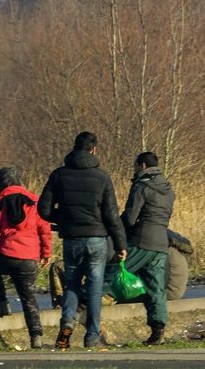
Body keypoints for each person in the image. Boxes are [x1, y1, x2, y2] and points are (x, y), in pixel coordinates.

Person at [38, 131, 127, 349]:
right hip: (97, 239)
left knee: (72, 284)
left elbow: (43, 209)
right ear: (94, 149)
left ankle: (67, 324)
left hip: (72, 239)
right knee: (95, 288)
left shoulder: (58, 175)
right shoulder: (102, 178)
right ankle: (92, 336)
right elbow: (112, 215)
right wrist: (121, 244)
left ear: (74, 148)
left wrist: (65, 218)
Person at [102, 152, 175, 345]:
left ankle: (81, 309)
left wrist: (115, 229)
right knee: (155, 288)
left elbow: (130, 218)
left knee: (111, 273)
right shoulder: (168, 188)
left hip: (142, 240)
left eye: (135, 166)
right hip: (161, 243)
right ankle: (158, 331)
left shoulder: (141, 186)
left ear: (142, 166)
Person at [0, 166, 52, 349]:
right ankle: (36, 335)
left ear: (1, 183)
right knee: (28, 297)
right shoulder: (34, 201)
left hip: (6, 255)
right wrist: (45, 253)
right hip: (30, 258)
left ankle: (1, 301)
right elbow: (44, 230)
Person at [48, 229, 192, 308]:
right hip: (169, 292)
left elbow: (120, 271)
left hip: (157, 293)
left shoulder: (150, 247)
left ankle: (64, 308)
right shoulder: (167, 246)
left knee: (59, 268)